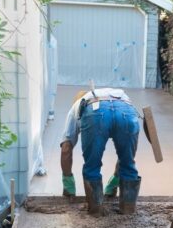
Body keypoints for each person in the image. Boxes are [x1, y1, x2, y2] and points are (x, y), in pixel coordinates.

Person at [60, 88, 141, 216]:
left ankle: (96, 210)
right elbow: (125, 153)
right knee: (128, 161)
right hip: (127, 109)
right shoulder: (113, 94)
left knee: (92, 166)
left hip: (96, 113)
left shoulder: (76, 108)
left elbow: (66, 148)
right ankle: (128, 210)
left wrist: (67, 182)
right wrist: (115, 179)